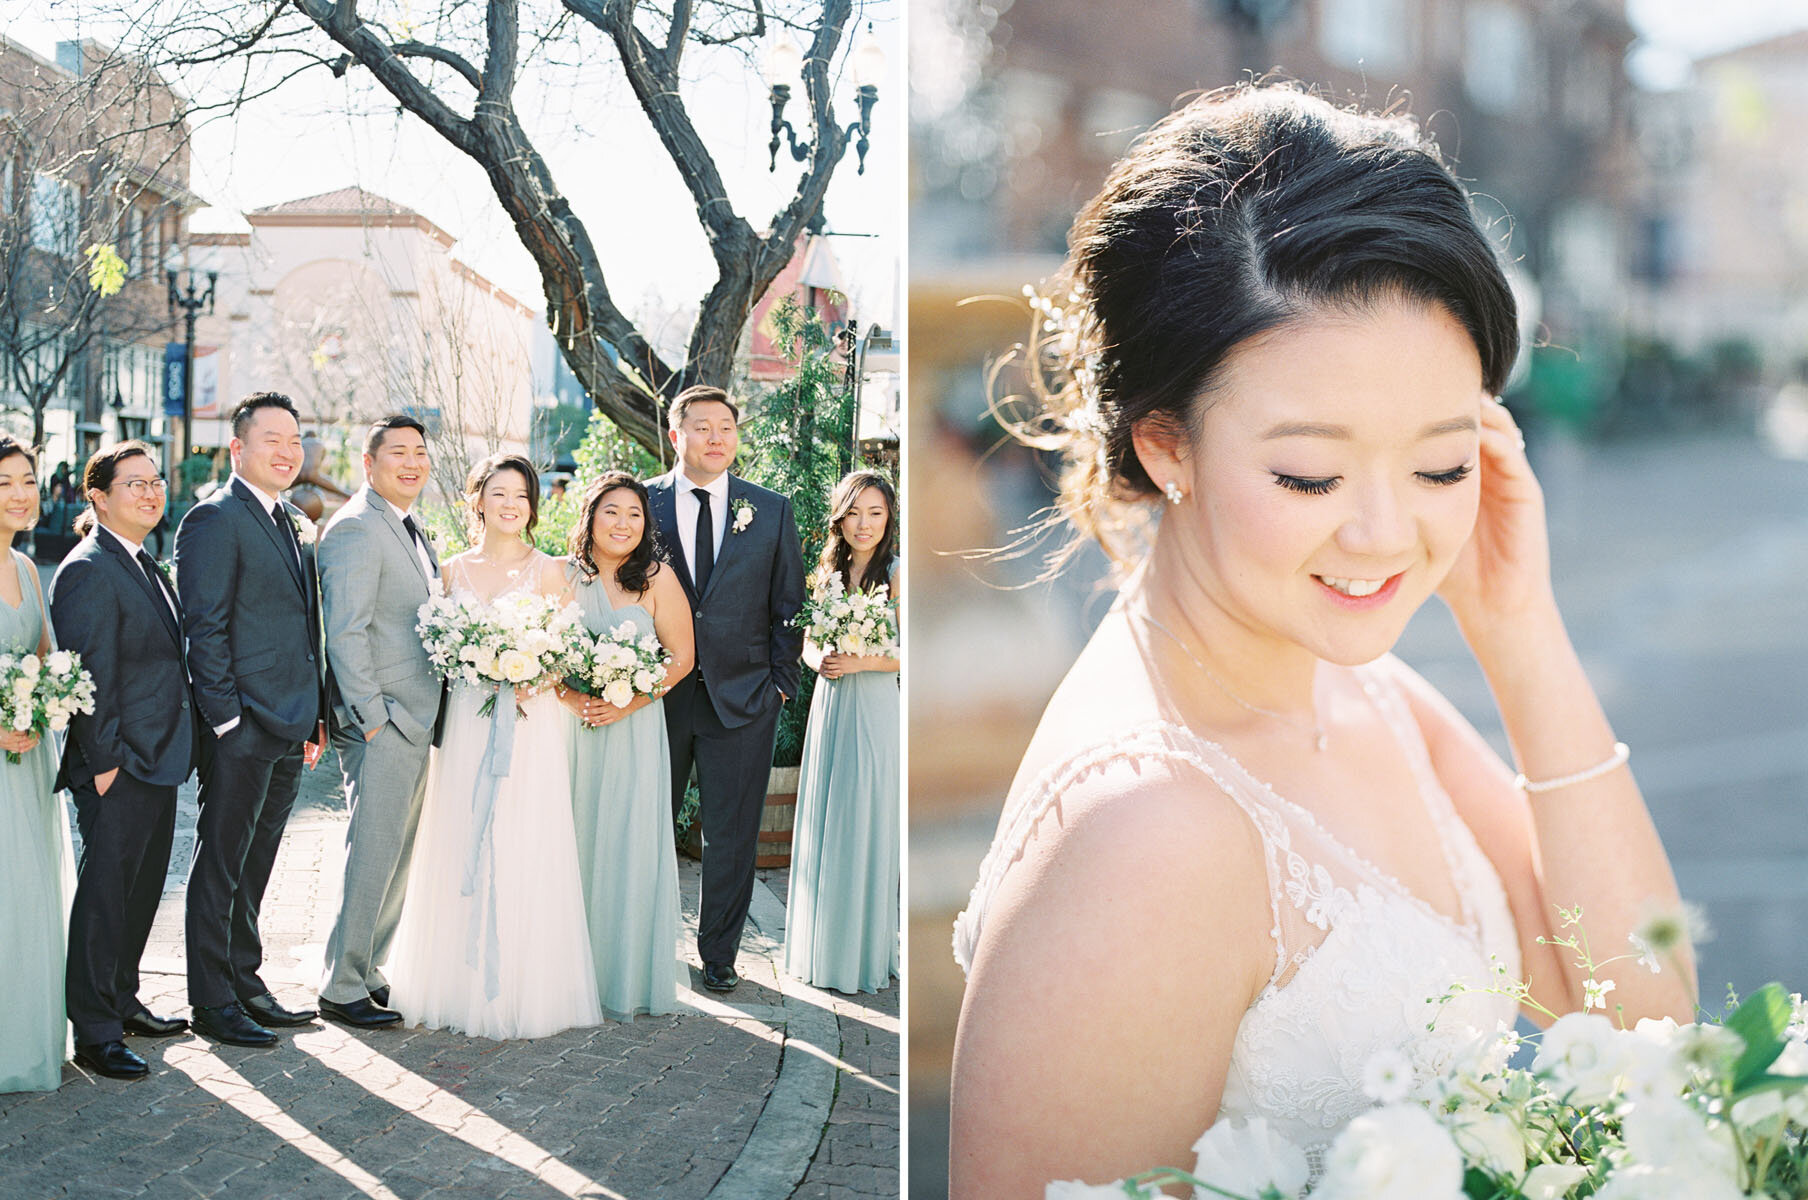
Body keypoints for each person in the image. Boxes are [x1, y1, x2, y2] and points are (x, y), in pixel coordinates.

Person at [947, 84, 1698, 1195]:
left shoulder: (1367, 696)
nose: (1384, 532)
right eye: (1308, 473)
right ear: (1166, 448)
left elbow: (1641, 1017)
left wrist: (1518, 630)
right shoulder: (1146, 836)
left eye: (1440, 464)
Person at [388, 453, 601, 1039]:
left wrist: (532, 673)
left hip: (530, 727)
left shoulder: (554, 571)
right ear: (477, 499)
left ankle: (525, 986)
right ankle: (453, 982)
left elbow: (565, 651)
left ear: (533, 507)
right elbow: (438, 650)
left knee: (525, 837)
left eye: (522, 496)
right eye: (499, 493)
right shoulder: (450, 572)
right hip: (467, 722)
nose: (511, 505)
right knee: (461, 835)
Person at [174, 392, 327, 1047]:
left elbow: (301, 626)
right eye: (272, 439)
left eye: (295, 439)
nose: (288, 451)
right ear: (238, 448)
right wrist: (227, 722)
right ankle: (211, 1001)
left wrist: (314, 716)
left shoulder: (290, 518)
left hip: (290, 723)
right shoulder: (214, 519)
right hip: (242, 727)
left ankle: (246, 981)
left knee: (258, 862)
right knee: (221, 864)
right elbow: (201, 627)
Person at [646, 385, 805, 994]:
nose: (716, 438)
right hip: (656, 694)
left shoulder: (771, 509)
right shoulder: (642, 504)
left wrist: (781, 685)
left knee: (732, 836)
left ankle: (719, 954)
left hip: (745, 699)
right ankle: (646, 943)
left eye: (726, 428)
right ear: (676, 433)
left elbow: (789, 603)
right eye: (703, 427)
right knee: (647, 822)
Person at [50, 442, 196, 1081]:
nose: (150, 491)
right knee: (106, 895)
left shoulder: (143, 563)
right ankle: (95, 1029)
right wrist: (105, 763)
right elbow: (85, 672)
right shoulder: (87, 568)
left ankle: (124, 999)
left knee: (139, 893)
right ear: (99, 497)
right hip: (117, 763)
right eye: (133, 483)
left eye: (155, 480)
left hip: (156, 758)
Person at [317, 415, 443, 1029]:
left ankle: (367, 969)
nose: (412, 462)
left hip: (415, 719)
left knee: (395, 852)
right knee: (372, 850)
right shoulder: (357, 529)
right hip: (384, 720)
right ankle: (339, 985)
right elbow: (344, 632)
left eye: (420, 452)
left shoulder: (410, 527)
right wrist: (372, 718)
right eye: (398, 452)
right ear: (369, 464)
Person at [558, 471, 694, 1018]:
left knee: (626, 843)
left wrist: (629, 702)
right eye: (611, 511)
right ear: (590, 516)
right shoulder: (562, 577)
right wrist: (571, 698)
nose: (623, 523)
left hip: (634, 733)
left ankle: (624, 974)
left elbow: (681, 659)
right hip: (574, 731)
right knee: (572, 840)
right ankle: (567, 969)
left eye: (635, 514)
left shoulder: (658, 579)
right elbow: (541, 650)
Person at [783, 471, 900, 995]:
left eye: (875, 513)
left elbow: (910, 654)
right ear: (840, 517)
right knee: (827, 818)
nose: (864, 524)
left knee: (861, 817)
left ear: (889, 518)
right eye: (854, 512)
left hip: (873, 704)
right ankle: (820, 945)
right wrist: (819, 661)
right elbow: (808, 641)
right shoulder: (828, 572)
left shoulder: (897, 573)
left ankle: (858, 953)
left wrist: (861, 662)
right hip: (830, 703)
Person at [0, 437, 76, 1092]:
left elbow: (49, 653)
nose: (22, 493)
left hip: (26, 760)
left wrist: (48, 700)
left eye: (28, 480)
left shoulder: (27, 569)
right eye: (6, 482)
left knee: (28, 893)